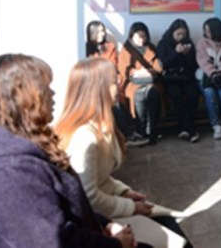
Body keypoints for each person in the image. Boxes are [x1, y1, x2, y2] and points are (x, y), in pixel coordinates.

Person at [0, 54, 139, 248]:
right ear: (24, 99)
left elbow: (69, 209)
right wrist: (116, 243)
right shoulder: (11, 173)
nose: (53, 94)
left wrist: (105, 224)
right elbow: (53, 240)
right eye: (45, 89)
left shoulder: (25, 147)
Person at [55, 58, 190, 248]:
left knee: (169, 223)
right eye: (113, 80)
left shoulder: (100, 125)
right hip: (93, 221)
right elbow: (88, 197)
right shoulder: (84, 137)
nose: (119, 82)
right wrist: (131, 207)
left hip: (102, 210)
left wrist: (123, 191)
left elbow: (99, 178)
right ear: (98, 89)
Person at [87, 20, 148, 147]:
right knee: (112, 102)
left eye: (103, 31)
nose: (102, 34)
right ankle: (128, 135)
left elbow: (113, 66)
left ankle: (128, 134)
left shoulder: (110, 47)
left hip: (110, 81)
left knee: (116, 100)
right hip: (94, 85)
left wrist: (115, 77)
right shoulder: (85, 49)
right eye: (99, 31)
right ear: (91, 33)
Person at [118, 22, 163, 144]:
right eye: (138, 36)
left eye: (144, 36)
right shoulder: (126, 49)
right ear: (131, 36)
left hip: (150, 80)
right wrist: (137, 72)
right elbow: (123, 68)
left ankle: (152, 130)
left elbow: (158, 67)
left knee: (154, 94)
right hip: (133, 82)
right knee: (138, 95)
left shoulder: (151, 48)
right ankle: (140, 130)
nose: (142, 39)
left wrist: (150, 71)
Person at [156, 19, 200, 143]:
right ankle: (190, 129)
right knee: (176, 95)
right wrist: (176, 52)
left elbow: (194, 66)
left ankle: (186, 129)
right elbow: (163, 64)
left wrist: (187, 54)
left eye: (183, 34)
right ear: (172, 32)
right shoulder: (163, 44)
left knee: (193, 93)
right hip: (171, 78)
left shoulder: (189, 44)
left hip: (186, 77)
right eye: (178, 34)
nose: (181, 37)